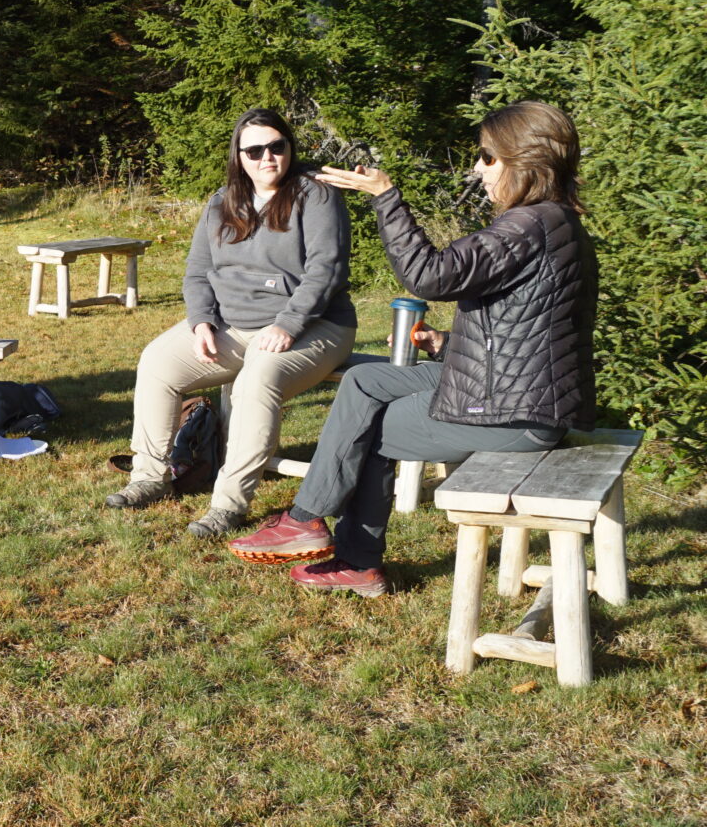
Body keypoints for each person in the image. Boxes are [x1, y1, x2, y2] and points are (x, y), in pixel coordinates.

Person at [228, 101, 598, 596]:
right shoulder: (551, 222)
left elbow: (429, 276)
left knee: (370, 427)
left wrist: (385, 196)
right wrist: (445, 343)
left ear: (523, 160)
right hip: (509, 387)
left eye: (487, 158)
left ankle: (332, 540)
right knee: (365, 380)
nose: (478, 169)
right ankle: (319, 530)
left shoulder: (527, 226)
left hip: (518, 413)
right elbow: (529, 329)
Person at [105, 108, 358, 537]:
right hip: (233, 325)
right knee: (157, 362)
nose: (267, 158)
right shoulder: (222, 202)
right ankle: (149, 477)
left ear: (289, 148)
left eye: (276, 147)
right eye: (255, 150)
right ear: (239, 156)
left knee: (255, 381)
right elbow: (197, 271)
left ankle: (228, 504)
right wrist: (202, 320)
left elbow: (325, 270)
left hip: (315, 327)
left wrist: (289, 324)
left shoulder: (314, 196)